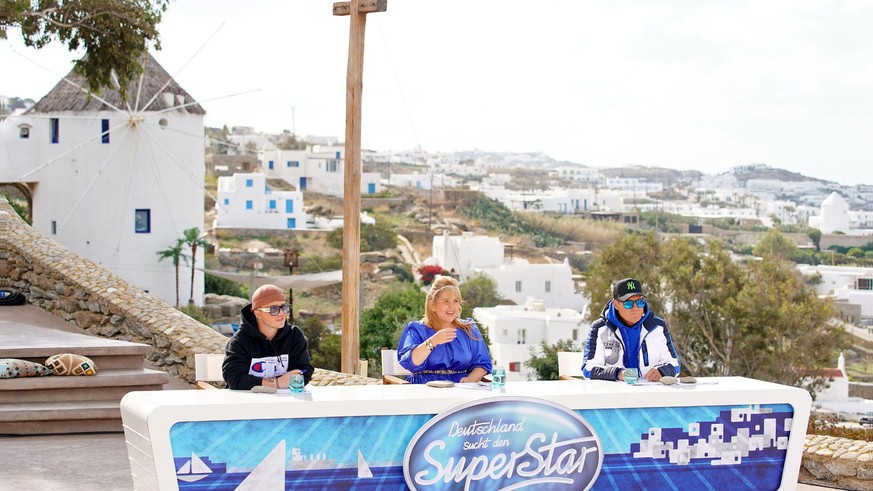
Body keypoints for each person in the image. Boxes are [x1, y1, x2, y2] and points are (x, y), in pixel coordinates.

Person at [397, 276, 493, 384]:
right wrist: (433, 341)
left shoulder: (468, 329)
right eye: (446, 301)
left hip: (460, 390)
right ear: (432, 304)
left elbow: (482, 364)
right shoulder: (416, 330)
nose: (452, 306)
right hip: (424, 389)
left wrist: (470, 380)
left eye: (455, 301)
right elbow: (411, 362)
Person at [582, 278, 680, 382]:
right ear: (616, 304)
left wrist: (662, 371)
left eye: (639, 302)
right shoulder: (599, 329)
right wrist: (618, 374)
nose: (635, 308)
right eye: (628, 304)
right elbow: (588, 369)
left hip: (649, 393)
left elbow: (675, 364)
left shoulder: (658, 327)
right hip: (614, 394)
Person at [223, 284, 314, 390]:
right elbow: (233, 378)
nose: (282, 313)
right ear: (258, 313)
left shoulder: (294, 335)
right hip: (247, 402)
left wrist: (296, 378)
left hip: (285, 402)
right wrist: (276, 383)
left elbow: (305, 369)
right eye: (274, 309)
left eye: (284, 308)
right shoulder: (240, 340)